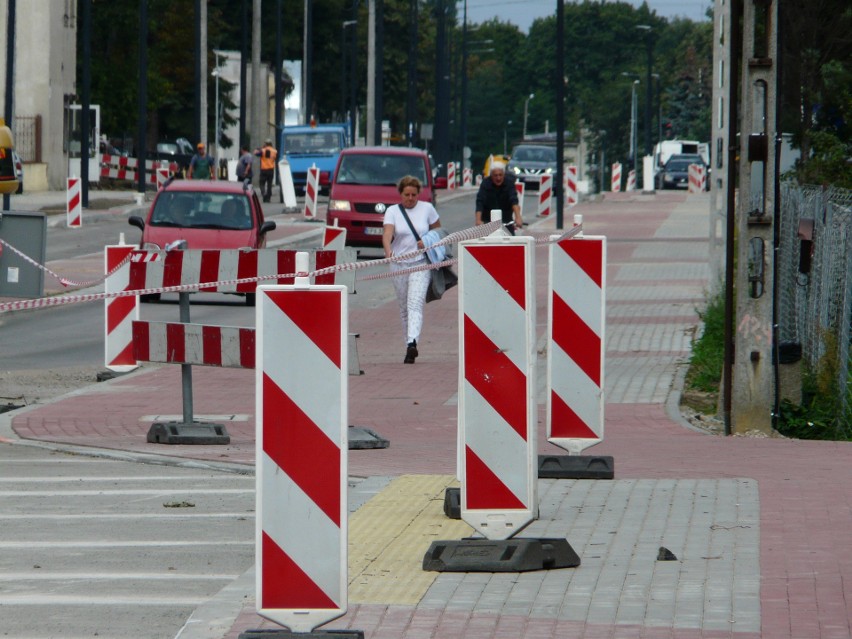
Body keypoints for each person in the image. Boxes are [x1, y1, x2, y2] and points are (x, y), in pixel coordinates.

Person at [382, 175, 441, 364]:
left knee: (415, 303)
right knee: (404, 308)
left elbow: (439, 232)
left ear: (418, 194)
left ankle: (411, 343)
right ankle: (409, 342)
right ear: (400, 194)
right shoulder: (392, 211)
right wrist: (388, 250)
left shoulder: (427, 209)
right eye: (406, 194)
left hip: (420, 263)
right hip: (398, 264)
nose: (410, 198)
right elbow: (387, 233)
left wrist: (428, 241)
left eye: (413, 195)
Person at [474, 160, 523, 234]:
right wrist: (478, 220)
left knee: (511, 241)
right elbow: (480, 201)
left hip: (506, 221)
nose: (498, 178)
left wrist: (518, 217)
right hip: (488, 222)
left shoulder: (509, 183)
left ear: (504, 174)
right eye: (495, 175)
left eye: (500, 175)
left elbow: (514, 201)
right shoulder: (485, 184)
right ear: (491, 175)